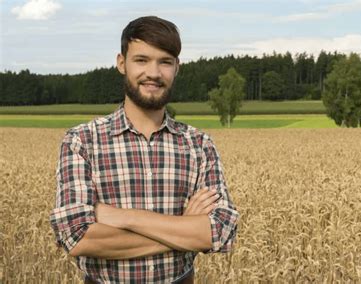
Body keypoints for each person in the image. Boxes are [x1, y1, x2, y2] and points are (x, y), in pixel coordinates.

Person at [50, 16, 239, 283]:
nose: (153, 73)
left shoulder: (199, 144)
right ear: (121, 63)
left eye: (165, 61)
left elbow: (220, 230)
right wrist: (182, 227)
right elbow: (77, 236)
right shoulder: (82, 141)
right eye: (141, 60)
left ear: (177, 68)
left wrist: (120, 217)